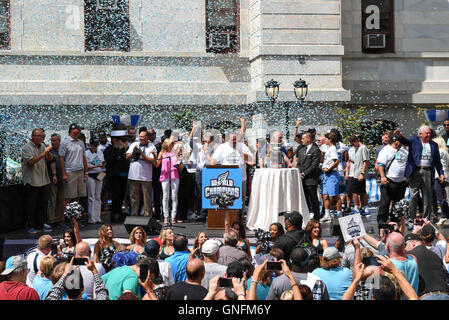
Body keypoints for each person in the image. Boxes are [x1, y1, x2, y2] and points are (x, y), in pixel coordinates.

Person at [394, 126, 445, 221]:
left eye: (429, 133)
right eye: (427, 133)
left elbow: (438, 161)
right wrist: (400, 136)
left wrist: (441, 173)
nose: (429, 134)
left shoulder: (434, 145)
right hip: (415, 171)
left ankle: (426, 218)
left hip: (428, 171)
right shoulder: (414, 140)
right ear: (421, 134)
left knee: (427, 195)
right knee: (414, 194)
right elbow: (406, 141)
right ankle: (412, 217)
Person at [22, 128, 54, 233]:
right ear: (33, 136)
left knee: (43, 204)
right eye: (38, 136)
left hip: (44, 179)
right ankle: (31, 226)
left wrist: (48, 152)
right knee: (32, 205)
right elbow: (31, 161)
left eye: (42, 136)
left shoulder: (43, 146)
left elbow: (50, 159)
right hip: (32, 181)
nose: (40, 138)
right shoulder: (27, 147)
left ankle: (42, 224)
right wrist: (44, 153)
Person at [209, 131, 253, 204]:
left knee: (240, 201)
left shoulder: (242, 146)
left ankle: (241, 215)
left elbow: (251, 161)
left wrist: (241, 153)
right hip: (227, 181)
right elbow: (213, 162)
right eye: (232, 139)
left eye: (235, 139)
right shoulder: (222, 147)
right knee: (228, 201)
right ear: (227, 139)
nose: (234, 141)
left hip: (241, 179)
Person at [404, 232, 449, 299]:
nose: (404, 248)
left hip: (426, 296)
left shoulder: (409, 257)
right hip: (445, 295)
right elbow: (445, 276)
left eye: (405, 245)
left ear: (413, 243)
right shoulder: (435, 255)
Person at [376, 133, 408, 223]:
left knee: (398, 203)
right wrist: (382, 177)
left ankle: (395, 220)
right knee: (385, 202)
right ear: (395, 141)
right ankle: (382, 221)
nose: (402, 143)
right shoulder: (386, 150)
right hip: (389, 180)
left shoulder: (404, 151)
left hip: (402, 181)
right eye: (400, 141)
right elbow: (380, 164)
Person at [126, 129, 157, 217]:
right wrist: (134, 152)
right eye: (140, 137)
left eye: (143, 137)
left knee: (147, 199)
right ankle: (134, 216)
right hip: (134, 176)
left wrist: (142, 154)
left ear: (147, 137)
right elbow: (127, 156)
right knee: (134, 198)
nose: (141, 138)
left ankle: (147, 217)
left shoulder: (152, 147)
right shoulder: (134, 144)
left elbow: (153, 160)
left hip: (146, 177)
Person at [103, 124, 131, 223]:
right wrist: (120, 151)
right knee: (116, 195)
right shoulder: (108, 150)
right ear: (114, 140)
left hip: (124, 175)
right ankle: (114, 214)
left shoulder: (126, 149)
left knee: (122, 195)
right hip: (114, 177)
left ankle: (119, 213)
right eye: (121, 140)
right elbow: (110, 161)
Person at [59, 123, 89, 213]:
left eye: (79, 131)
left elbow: (84, 157)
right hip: (70, 172)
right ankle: (62, 220)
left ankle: (75, 218)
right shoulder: (65, 142)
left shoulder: (81, 143)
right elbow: (61, 158)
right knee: (68, 197)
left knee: (78, 196)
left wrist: (86, 172)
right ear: (72, 130)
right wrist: (64, 174)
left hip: (80, 171)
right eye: (77, 130)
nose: (79, 132)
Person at [295, 132, 322, 220]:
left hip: (311, 179)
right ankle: (305, 218)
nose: (301, 140)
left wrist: (304, 173)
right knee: (304, 199)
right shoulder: (301, 150)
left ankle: (316, 218)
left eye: (303, 138)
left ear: (308, 139)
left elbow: (314, 165)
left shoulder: (315, 150)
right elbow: (298, 164)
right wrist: (299, 172)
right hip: (302, 179)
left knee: (313, 199)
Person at [155, 137, 181, 225]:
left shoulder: (175, 153)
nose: (172, 145)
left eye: (172, 144)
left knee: (174, 196)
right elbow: (157, 165)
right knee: (165, 196)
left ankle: (173, 216)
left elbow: (180, 166)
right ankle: (166, 216)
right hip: (165, 175)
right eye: (170, 144)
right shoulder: (162, 153)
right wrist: (155, 157)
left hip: (174, 175)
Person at [345, 134, 370, 216]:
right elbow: (357, 160)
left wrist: (362, 173)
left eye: (353, 143)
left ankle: (360, 207)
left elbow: (365, 161)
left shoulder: (363, 148)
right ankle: (360, 208)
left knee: (360, 192)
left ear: (357, 140)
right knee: (357, 191)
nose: (352, 145)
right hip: (355, 173)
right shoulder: (356, 149)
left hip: (359, 173)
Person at [47, 133, 66, 229]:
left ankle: (59, 219)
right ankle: (51, 220)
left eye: (54, 140)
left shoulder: (63, 150)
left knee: (61, 199)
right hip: (52, 178)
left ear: (59, 141)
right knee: (52, 200)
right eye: (51, 140)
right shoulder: (50, 151)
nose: (52, 142)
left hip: (62, 178)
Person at [85, 136, 105, 224]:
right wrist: (96, 166)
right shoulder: (86, 153)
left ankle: (97, 217)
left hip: (99, 174)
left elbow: (103, 163)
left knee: (98, 196)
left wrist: (102, 166)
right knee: (91, 197)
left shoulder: (100, 152)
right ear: (90, 145)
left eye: (96, 146)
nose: (95, 147)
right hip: (90, 175)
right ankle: (91, 218)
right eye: (93, 146)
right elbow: (86, 167)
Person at [321, 132, 340, 222]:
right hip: (326, 175)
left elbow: (336, 161)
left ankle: (339, 213)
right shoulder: (328, 149)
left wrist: (328, 169)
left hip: (332, 174)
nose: (325, 140)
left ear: (330, 140)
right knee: (325, 195)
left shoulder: (332, 148)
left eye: (326, 139)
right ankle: (327, 214)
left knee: (334, 196)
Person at [433, 135, 449, 224]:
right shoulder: (445, 152)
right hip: (445, 175)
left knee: (440, 197)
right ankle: (443, 216)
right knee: (443, 196)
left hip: (438, 176)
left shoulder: (440, 151)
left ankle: (446, 214)